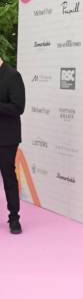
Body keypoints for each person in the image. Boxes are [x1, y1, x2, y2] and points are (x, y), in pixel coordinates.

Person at [0, 55, 25, 234]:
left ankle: (14, 218)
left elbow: (18, 107)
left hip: (6, 138)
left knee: (8, 176)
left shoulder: (13, 76)